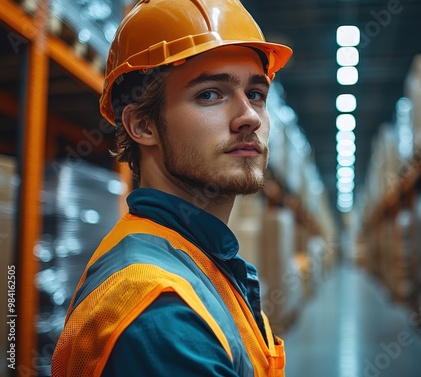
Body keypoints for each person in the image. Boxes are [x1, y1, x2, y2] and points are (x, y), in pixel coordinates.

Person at [51, 0, 292, 376]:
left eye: (256, 94)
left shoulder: (202, 259)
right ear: (143, 126)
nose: (248, 117)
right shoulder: (161, 314)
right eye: (210, 93)